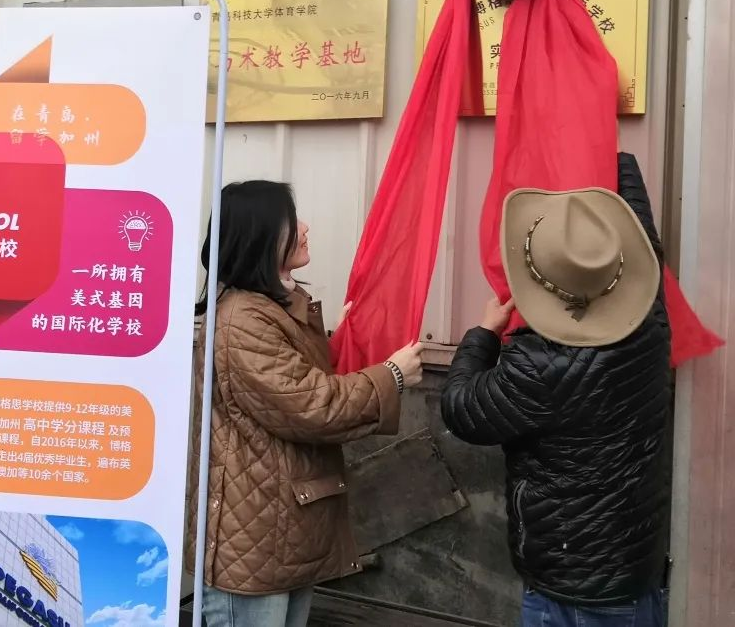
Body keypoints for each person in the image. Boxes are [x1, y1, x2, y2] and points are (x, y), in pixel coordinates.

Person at [440, 154, 671, 627]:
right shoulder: (649, 320)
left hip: (569, 590)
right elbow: (644, 238)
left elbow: (461, 408)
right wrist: (614, 156)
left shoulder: (537, 366)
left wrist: (484, 333)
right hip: (635, 573)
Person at [184, 180, 424, 627]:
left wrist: (335, 339)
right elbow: (313, 406)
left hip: (279, 532)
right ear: (260, 238)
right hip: (254, 545)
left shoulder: (271, 307)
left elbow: (289, 382)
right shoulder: (242, 321)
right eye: (292, 223)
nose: (306, 228)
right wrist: (392, 376)